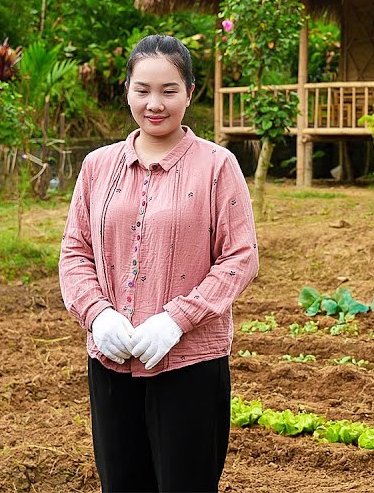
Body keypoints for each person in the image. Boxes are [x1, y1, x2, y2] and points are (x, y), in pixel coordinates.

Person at [59, 34, 259, 492]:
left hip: (188, 362)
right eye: (142, 89)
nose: (155, 103)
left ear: (190, 93)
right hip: (111, 359)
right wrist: (98, 314)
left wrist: (176, 320)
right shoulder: (97, 166)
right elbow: (75, 251)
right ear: (126, 90)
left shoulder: (217, 165)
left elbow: (240, 257)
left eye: (169, 91)